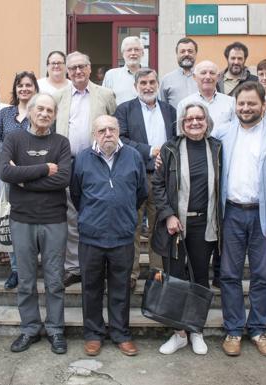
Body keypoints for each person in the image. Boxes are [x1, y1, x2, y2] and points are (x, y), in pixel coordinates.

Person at [214, 81, 266, 358]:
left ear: (263, 105)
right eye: (241, 103)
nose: (245, 108)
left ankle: (259, 330)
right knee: (229, 275)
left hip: (263, 215)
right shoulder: (221, 134)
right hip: (231, 213)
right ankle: (234, 330)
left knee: (262, 275)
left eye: (251, 103)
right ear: (235, 105)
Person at [0, 93, 72, 355]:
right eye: (39, 109)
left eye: (49, 111)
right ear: (30, 111)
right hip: (22, 220)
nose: (44, 114)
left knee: (54, 280)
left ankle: (55, 329)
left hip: (54, 220)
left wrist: (23, 179)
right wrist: (43, 169)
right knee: (27, 281)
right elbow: (6, 173)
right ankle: (30, 328)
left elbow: (63, 179)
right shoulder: (14, 139)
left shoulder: (61, 143)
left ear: (54, 116)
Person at [70, 115, 147, 357]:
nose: (107, 134)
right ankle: (93, 334)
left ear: (118, 131)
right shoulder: (83, 158)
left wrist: (122, 214)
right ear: (94, 134)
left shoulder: (133, 156)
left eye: (111, 129)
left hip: (122, 236)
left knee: (121, 287)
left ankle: (121, 334)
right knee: (91, 287)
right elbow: (76, 194)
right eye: (101, 130)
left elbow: (141, 193)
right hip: (91, 236)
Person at [151, 101, 222, 355]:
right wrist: (168, 215)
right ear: (182, 123)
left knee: (200, 280)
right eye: (189, 119)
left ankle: (196, 330)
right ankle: (179, 333)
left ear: (207, 121)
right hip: (176, 226)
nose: (194, 122)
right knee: (176, 279)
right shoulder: (170, 149)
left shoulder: (217, 148)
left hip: (205, 225)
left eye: (199, 118)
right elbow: (157, 186)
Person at [53, 51, 117, 287]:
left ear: (90, 68)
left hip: (99, 162)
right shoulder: (58, 97)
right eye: (73, 68)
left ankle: (101, 265)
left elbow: (114, 126)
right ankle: (74, 267)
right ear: (67, 72)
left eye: (82, 67)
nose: (78, 71)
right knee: (71, 215)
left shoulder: (106, 95)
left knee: (100, 211)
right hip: (68, 162)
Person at [116, 68, 176, 290]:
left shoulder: (169, 110)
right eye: (143, 83)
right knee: (131, 227)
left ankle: (156, 274)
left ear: (158, 84)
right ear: (135, 87)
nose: (148, 87)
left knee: (159, 226)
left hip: (162, 179)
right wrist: (150, 150)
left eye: (152, 82)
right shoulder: (124, 109)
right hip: (134, 177)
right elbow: (120, 139)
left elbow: (176, 139)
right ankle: (130, 273)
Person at [0, 71, 40, 289]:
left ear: (35, 88)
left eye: (28, 85)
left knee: (33, 224)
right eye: (20, 85)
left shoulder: (41, 112)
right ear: (15, 89)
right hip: (10, 178)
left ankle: (31, 267)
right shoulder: (4, 114)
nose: (24, 89)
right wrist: (10, 166)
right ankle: (15, 270)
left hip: (36, 178)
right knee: (11, 224)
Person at [176, 60, 235, 131]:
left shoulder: (231, 102)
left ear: (218, 77)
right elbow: (181, 133)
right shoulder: (184, 104)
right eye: (203, 73)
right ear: (194, 77)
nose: (208, 77)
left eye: (212, 73)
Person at [102, 36, 144, 105]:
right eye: (129, 50)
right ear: (123, 54)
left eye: (136, 49)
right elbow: (104, 101)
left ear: (142, 53)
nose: (133, 53)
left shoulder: (149, 75)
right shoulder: (111, 75)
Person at [159, 37, 199, 109]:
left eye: (190, 51)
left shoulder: (204, 78)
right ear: (177, 54)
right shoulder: (166, 80)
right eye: (182, 51)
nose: (186, 54)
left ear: (196, 54)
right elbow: (163, 108)